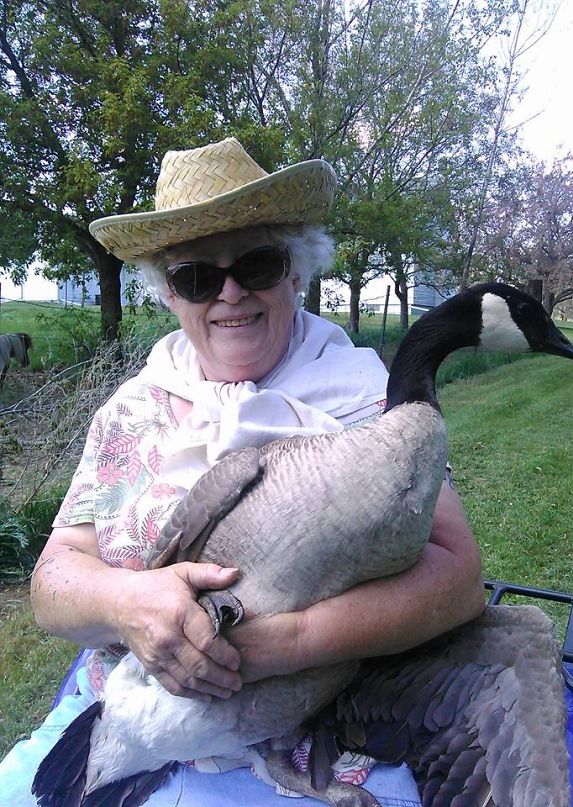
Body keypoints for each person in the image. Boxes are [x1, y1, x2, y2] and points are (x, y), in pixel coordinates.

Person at [0, 137, 484, 806]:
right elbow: (55, 579)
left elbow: (457, 578)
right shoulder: (130, 409)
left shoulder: (374, 403)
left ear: (296, 271)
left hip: (311, 739)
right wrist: (126, 602)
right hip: (120, 716)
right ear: (169, 294)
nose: (229, 292)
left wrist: (287, 643)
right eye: (196, 276)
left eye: (256, 264)